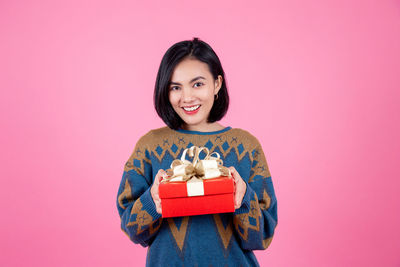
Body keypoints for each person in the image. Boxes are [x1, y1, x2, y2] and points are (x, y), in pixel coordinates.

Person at [116, 37, 278, 267]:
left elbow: (262, 237)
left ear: (217, 84)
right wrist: (153, 202)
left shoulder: (247, 146)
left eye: (198, 84)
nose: (187, 97)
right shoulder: (149, 146)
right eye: (175, 87)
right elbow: (132, 230)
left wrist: (243, 199)